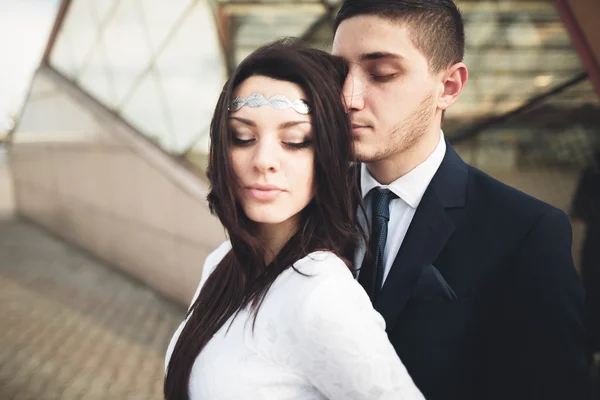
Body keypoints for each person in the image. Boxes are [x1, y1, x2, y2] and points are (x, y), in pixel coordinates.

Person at [331, 1, 590, 399]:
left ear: (448, 87)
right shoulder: (308, 207)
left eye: (381, 73)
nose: (347, 96)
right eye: (338, 72)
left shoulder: (525, 232)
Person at [163, 40, 425, 400]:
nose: (264, 160)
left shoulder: (322, 294)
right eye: (243, 137)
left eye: (295, 140)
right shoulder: (221, 262)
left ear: (328, 158)